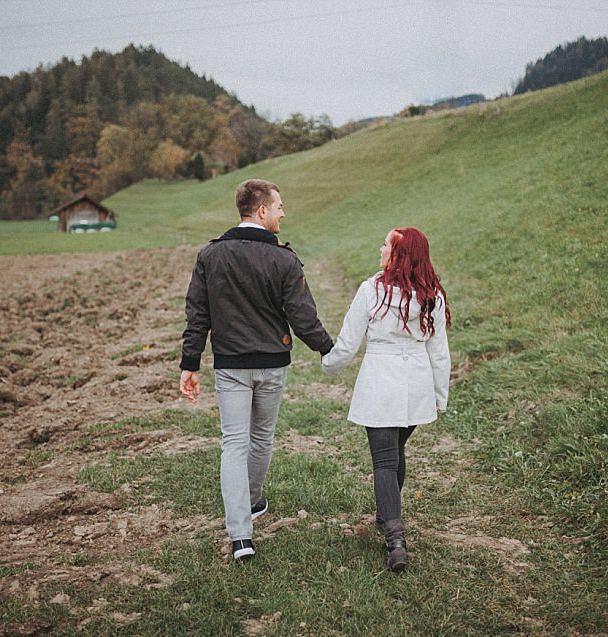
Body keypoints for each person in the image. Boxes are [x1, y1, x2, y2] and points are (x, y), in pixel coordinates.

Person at [179, 179, 333, 561]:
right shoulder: (284, 259)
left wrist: (190, 363)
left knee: (234, 443)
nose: (283, 212)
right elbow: (303, 317)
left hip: (230, 364)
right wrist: (328, 350)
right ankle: (251, 502)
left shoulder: (209, 255)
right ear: (261, 210)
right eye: (278, 205)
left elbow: (198, 315)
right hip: (271, 364)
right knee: (261, 438)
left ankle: (240, 537)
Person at [321, 227, 451, 571]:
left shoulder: (372, 291)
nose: (380, 249)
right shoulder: (431, 295)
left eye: (385, 245)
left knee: (384, 461)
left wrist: (329, 365)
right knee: (395, 453)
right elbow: (439, 352)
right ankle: (386, 514)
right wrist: (440, 395)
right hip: (417, 385)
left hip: (382, 382)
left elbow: (348, 342)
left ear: (398, 255)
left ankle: (395, 540)